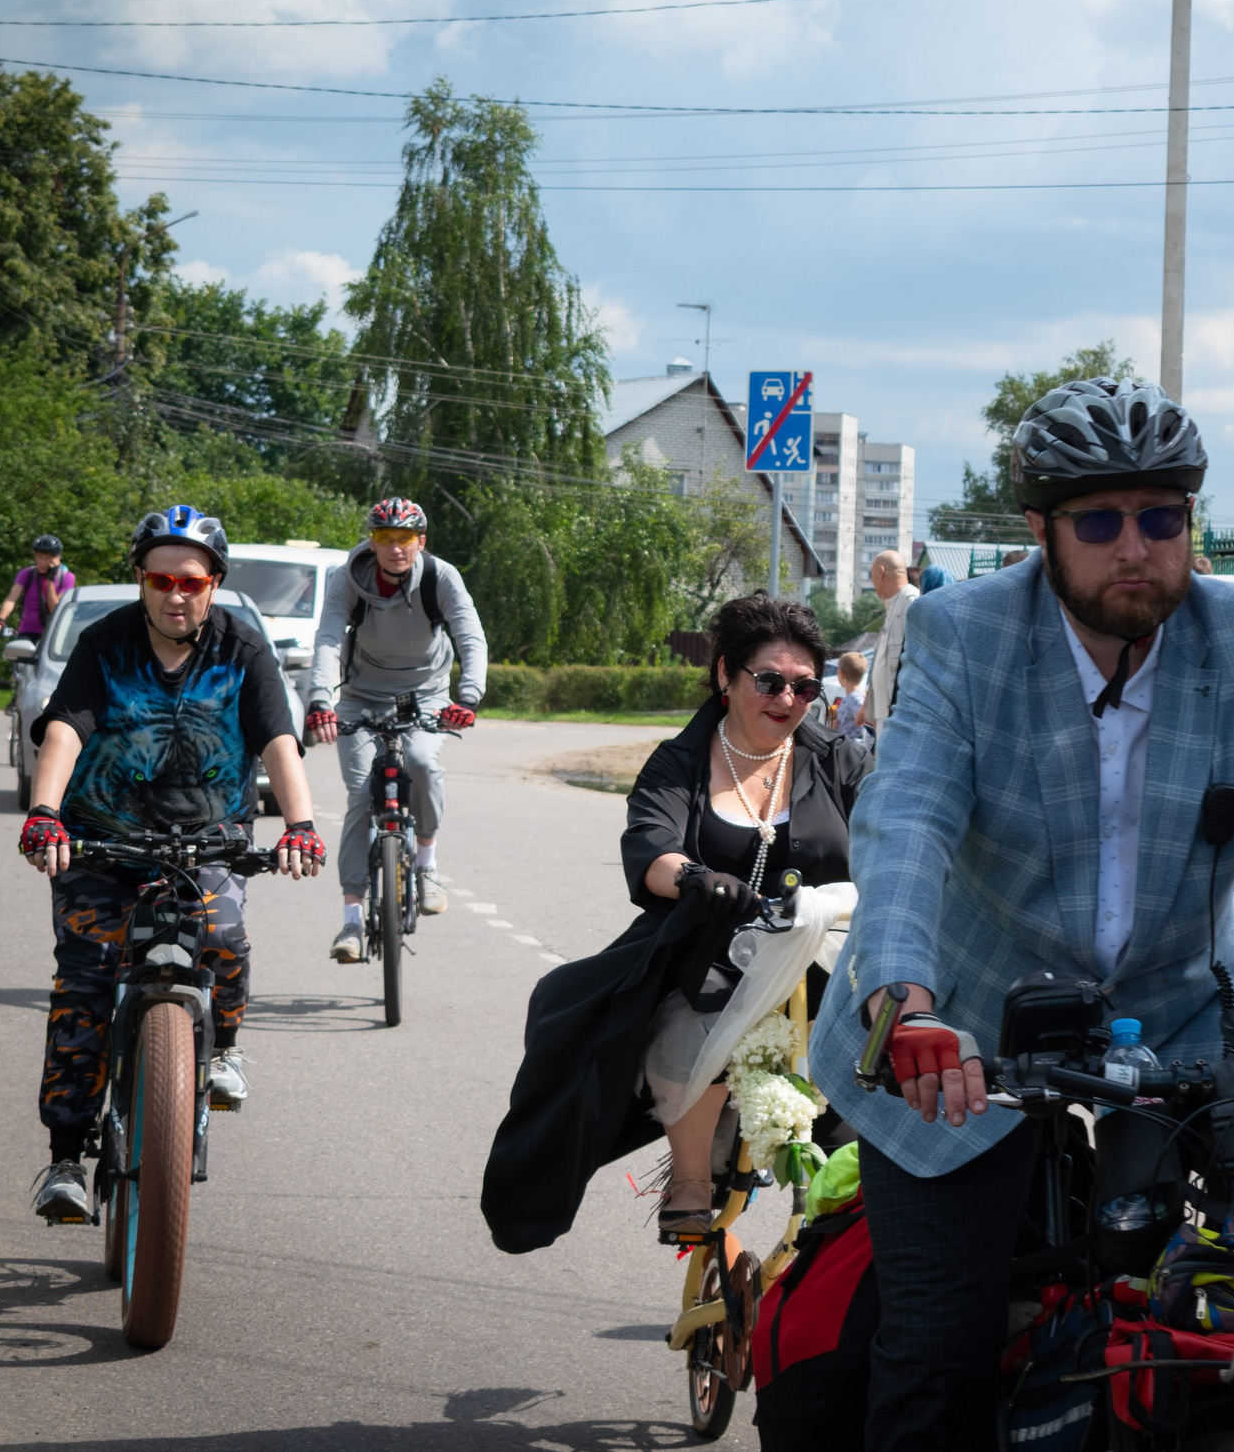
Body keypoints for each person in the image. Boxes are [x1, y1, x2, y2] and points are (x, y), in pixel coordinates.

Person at [814, 377, 1234, 1449]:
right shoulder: (962, 633)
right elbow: (908, 819)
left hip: (1173, 1003)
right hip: (961, 1021)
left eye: (1161, 518)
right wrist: (905, 1001)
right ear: (1041, 531)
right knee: (937, 1355)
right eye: (1101, 522)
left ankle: (1228, 1311)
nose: (1135, 547)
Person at [479, 592, 871, 1253]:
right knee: (697, 1007)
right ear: (725, 674)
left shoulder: (837, 758)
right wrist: (693, 877)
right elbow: (651, 845)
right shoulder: (680, 759)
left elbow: (891, 836)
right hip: (710, 952)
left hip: (827, 954)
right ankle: (689, 1179)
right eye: (769, 680)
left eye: (805, 686)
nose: (787, 698)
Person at [16, 506, 324, 1223]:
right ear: (141, 580)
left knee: (225, 935)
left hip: (206, 837)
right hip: (101, 840)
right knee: (84, 985)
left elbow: (279, 739)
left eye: (191, 580)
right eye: (160, 578)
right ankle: (65, 1157)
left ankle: (224, 1050)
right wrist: (45, 811)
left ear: (213, 583)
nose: (175, 593)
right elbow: (66, 728)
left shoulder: (243, 649)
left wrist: (301, 824)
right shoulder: (104, 644)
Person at [304, 498, 487, 957]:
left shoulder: (442, 578)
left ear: (419, 543)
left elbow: (470, 635)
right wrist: (321, 701)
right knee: (362, 796)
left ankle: (425, 862)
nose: (395, 548)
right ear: (372, 542)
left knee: (423, 762)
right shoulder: (345, 578)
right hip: (362, 695)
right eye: (385, 539)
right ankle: (350, 922)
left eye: (404, 539)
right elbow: (327, 637)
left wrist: (468, 696)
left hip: (426, 693)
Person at [863, 549, 914, 730]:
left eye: (872, 576)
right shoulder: (893, 604)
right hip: (886, 716)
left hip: (899, 717)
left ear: (881, 572)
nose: (872, 582)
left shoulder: (911, 603)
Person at [0, 535, 74, 642]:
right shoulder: (27, 574)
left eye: (47, 558)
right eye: (39, 557)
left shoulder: (67, 577)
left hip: (52, 634)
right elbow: (11, 599)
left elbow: (55, 610)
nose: (42, 562)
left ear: (57, 558)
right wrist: (0, 619)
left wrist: (50, 582)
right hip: (28, 632)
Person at [830, 650, 869, 741]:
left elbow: (863, 716)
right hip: (846, 747)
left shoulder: (855, 697)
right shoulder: (851, 696)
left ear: (841, 674)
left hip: (852, 749)